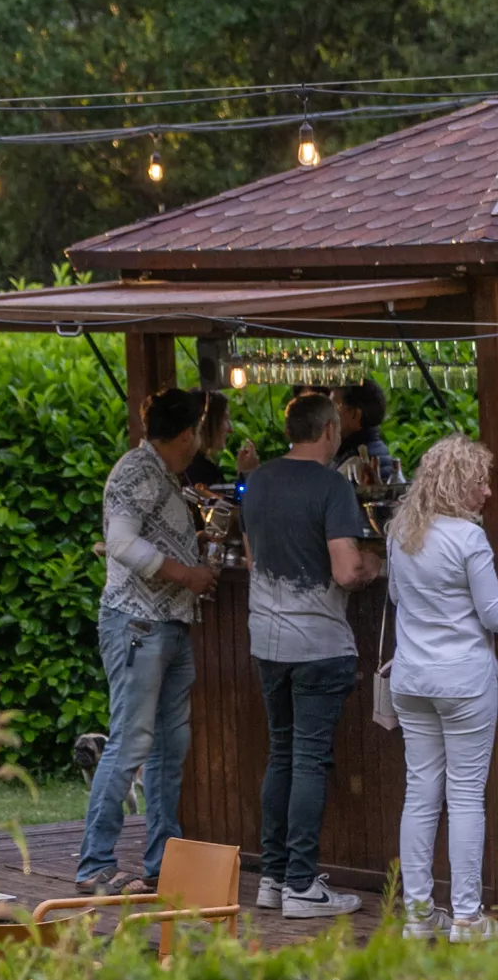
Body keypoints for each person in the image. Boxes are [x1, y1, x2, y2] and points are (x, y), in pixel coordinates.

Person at [240, 390, 382, 919]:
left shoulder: (257, 482)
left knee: (281, 754)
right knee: (309, 760)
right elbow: (346, 571)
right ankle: (303, 884)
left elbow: (254, 560)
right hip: (319, 644)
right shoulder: (330, 487)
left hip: (267, 641)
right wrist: (373, 564)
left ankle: (273, 879)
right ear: (328, 431)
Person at [384, 434, 498, 942]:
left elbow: (398, 596)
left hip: (412, 679)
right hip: (464, 680)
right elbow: (495, 617)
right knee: (466, 796)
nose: (488, 492)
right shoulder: (468, 539)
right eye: (480, 482)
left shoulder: (400, 530)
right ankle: (467, 917)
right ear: (458, 484)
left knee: (420, 794)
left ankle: (419, 916)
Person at [74, 387, 218, 893]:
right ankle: (94, 865)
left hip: (166, 624)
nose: (200, 441)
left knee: (167, 747)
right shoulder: (137, 471)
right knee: (131, 742)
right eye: (198, 432)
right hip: (138, 624)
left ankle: (163, 861)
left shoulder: (162, 474)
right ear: (185, 434)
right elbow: (120, 542)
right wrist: (185, 573)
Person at [185, 391, 259, 489]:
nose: (231, 429)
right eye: (225, 419)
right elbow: (225, 503)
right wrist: (247, 474)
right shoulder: (199, 470)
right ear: (206, 424)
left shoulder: (196, 466)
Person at [335, 379, 391, 477]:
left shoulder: (357, 461)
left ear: (354, 414)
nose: (328, 415)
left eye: (333, 407)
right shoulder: (377, 448)